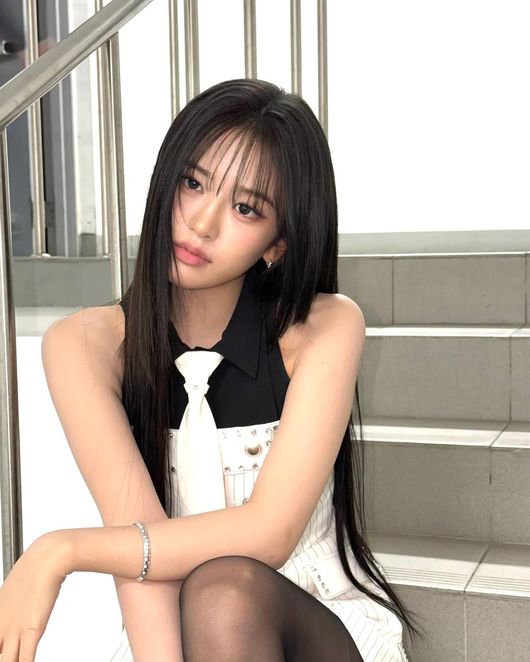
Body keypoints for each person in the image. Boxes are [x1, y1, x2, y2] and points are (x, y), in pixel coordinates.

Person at [0, 78, 422, 662]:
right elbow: (142, 553)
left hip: (312, 622)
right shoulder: (86, 345)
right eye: (193, 183)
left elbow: (268, 534)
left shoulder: (325, 327)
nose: (201, 223)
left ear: (277, 243)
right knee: (209, 600)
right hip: (178, 631)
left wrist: (62, 550)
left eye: (246, 208)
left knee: (225, 593)